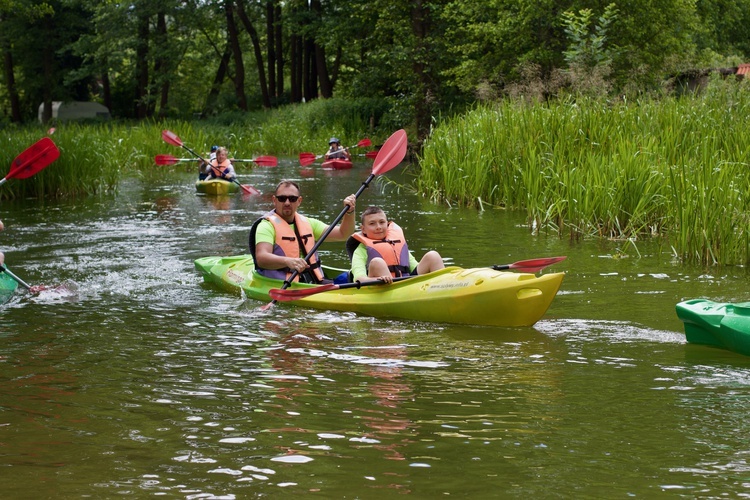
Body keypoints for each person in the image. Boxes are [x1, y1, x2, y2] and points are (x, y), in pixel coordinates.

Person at [249, 180, 357, 284]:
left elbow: (343, 234)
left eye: (292, 199)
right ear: (274, 200)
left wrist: (349, 212)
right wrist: (287, 261)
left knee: (347, 277)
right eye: (282, 198)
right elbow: (262, 258)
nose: (287, 203)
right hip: (282, 283)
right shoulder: (266, 226)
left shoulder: (308, 223)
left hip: (311, 280)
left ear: (299, 201)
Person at [346, 206, 444, 284]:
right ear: (363, 229)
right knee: (377, 262)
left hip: (406, 283)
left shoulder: (396, 242)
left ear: (387, 224)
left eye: (382, 222)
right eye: (372, 224)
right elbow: (359, 279)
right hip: (383, 286)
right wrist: (378, 279)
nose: (378, 227)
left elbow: (415, 268)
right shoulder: (361, 250)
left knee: (433, 256)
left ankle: (445, 286)